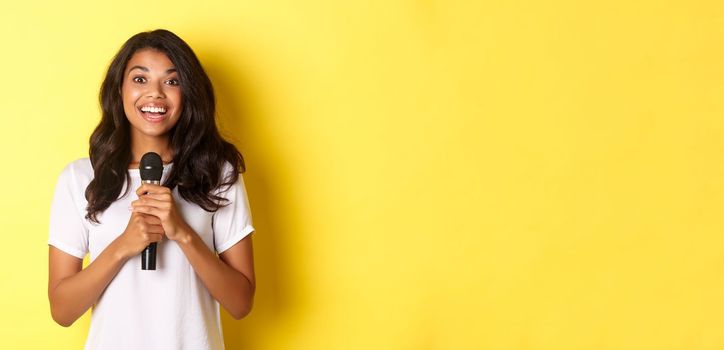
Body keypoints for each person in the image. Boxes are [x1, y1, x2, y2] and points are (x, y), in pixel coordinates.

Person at [47, 29, 255, 350]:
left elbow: (241, 303)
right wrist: (124, 245)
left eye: (171, 82)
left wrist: (183, 233)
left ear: (188, 93)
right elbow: (62, 310)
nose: (155, 94)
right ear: (120, 90)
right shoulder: (80, 178)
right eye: (140, 80)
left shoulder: (217, 174)